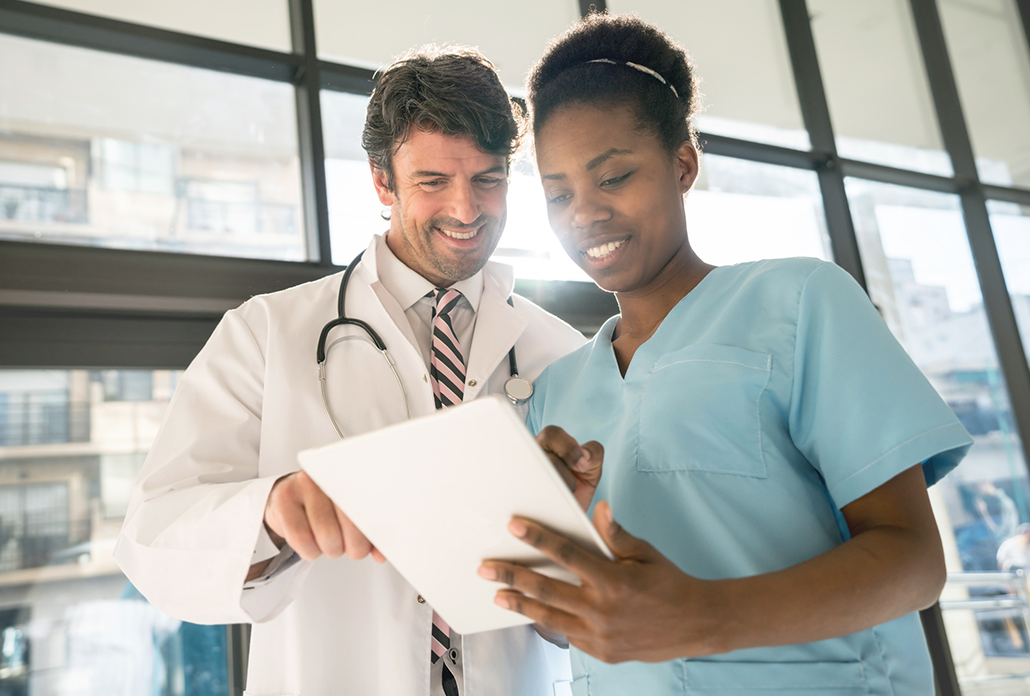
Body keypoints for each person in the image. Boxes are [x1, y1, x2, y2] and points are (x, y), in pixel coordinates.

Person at [476, 14, 975, 695]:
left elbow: (914, 562)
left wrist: (703, 617)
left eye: (614, 176)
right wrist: (556, 560)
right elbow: (562, 627)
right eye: (558, 193)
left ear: (683, 164)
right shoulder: (556, 391)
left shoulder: (799, 301)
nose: (583, 214)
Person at [115, 46, 591, 696]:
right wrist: (272, 512)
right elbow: (151, 536)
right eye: (432, 182)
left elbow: (591, 599)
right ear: (381, 182)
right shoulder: (267, 333)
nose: (466, 208)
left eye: (488, 178)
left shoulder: (562, 352)